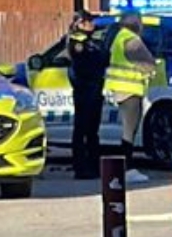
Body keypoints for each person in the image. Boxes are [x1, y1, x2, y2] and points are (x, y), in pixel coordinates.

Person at [102, 10, 157, 183]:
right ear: (137, 24)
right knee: (129, 132)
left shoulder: (119, 37)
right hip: (130, 90)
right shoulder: (131, 40)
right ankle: (128, 169)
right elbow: (148, 64)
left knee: (127, 130)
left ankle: (126, 168)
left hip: (120, 89)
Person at [66, 10, 108, 181]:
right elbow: (86, 65)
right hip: (84, 90)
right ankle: (81, 168)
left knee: (93, 131)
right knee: (81, 130)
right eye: (89, 21)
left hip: (95, 89)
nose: (93, 24)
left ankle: (94, 165)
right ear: (80, 23)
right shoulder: (77, 43)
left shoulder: (92, 41)